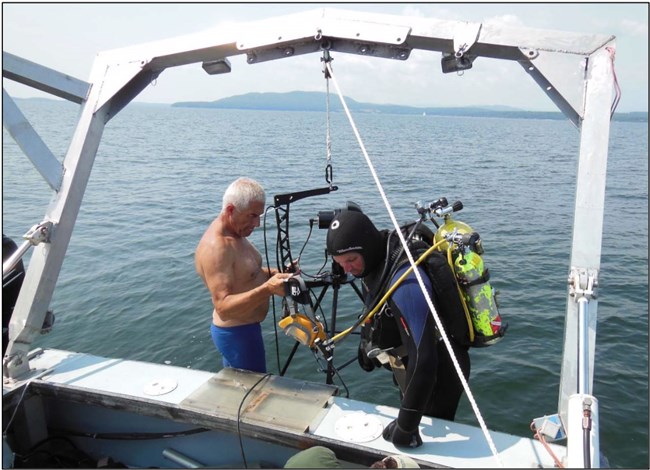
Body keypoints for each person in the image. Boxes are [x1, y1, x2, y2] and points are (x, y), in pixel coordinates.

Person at [326, 206, 471, 448]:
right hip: (411, 370)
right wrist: (366, 343)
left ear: (367, 247)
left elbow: (425, 360)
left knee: (432, 445)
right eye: (340, 263)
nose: (346, 269)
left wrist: (406, 427)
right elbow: (376, 307)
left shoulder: (407, 283)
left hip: (439, 374)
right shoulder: (376, 263)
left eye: (351, 260)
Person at [195, 177, 292, 373]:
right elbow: (223, 307)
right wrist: (268, 289)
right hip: (237, 334)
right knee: (251, 394)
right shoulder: (217, 248)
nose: (256, 223)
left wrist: (275, 274)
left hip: (247, 331)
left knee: (241, 389)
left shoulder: (236, 234)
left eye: (259, 216)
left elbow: (246, 274)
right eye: (252, 216)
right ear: (231, 210)